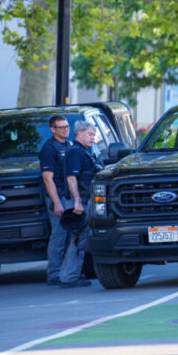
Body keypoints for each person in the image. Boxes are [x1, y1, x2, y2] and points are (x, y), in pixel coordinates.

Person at [60, 120, 101, 287]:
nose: (93, 138)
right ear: (80, 133)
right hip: (79, 201)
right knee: (78, 239)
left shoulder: (82, 151)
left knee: (80, 239)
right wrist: (77, 202)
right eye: (90, 134)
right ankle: (69, 277)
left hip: (82, 199)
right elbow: (71, 178)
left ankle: (72, 274)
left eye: (94, 135)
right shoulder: (75, 152)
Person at [39, 115, 75, 286]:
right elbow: (48, 179)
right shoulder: (49, 149)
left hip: (69, 196)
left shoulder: (69, 145)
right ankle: (54, 273)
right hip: (58, 197)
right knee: (59, 235)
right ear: (53, 129)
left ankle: (66, 273)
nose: (66, 129)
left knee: (70, 235)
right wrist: (57, 202)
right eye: (61, 127)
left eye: (67, 126)